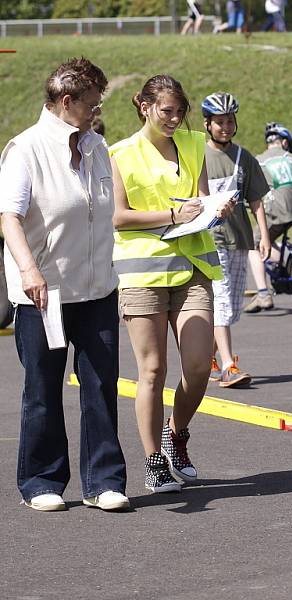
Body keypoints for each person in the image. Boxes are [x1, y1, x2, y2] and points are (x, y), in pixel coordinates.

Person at [0, 57, 128, 512]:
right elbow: (9, 217)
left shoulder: (95, 146)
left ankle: (104, 481)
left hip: (97, 289)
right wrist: (29, 270)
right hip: (44, 293)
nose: (96, 112)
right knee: (43, 390)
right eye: (91, 104)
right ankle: (40, 481)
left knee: (101, 387)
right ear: (66, 101)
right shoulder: (26, 149)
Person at [110, 75, 235, 493]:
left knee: (200, 365)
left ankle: (175, 433)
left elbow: (198, 200)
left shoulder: (194, 143)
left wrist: (216, 209)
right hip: (142, 272)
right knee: (153, 371)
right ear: (144, 106)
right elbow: (119, 217)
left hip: (192, 265)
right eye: (167, 111)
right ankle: (152, 462)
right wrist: (171, 215)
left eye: (180, 111)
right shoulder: (120, 153)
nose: (175, 119)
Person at [201, 92, 270, 386]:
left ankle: (208, 361)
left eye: (230, 121)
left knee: (231, 306)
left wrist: (263, 234)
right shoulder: (198, 156)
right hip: (209, 241)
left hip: (239, 239)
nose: (226, 127)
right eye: (219, 122)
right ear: (207, 124)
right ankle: (229, 365)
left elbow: (255, 200)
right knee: (221, 302)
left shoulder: (244, 158)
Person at [245, 122, 292, 313]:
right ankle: (286, 266)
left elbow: (255, 189)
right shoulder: (291, 158)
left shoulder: (259, 160)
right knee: (269, 238)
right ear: (285, 142)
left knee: (253, 244)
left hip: (277, 207)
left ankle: (263, 293)